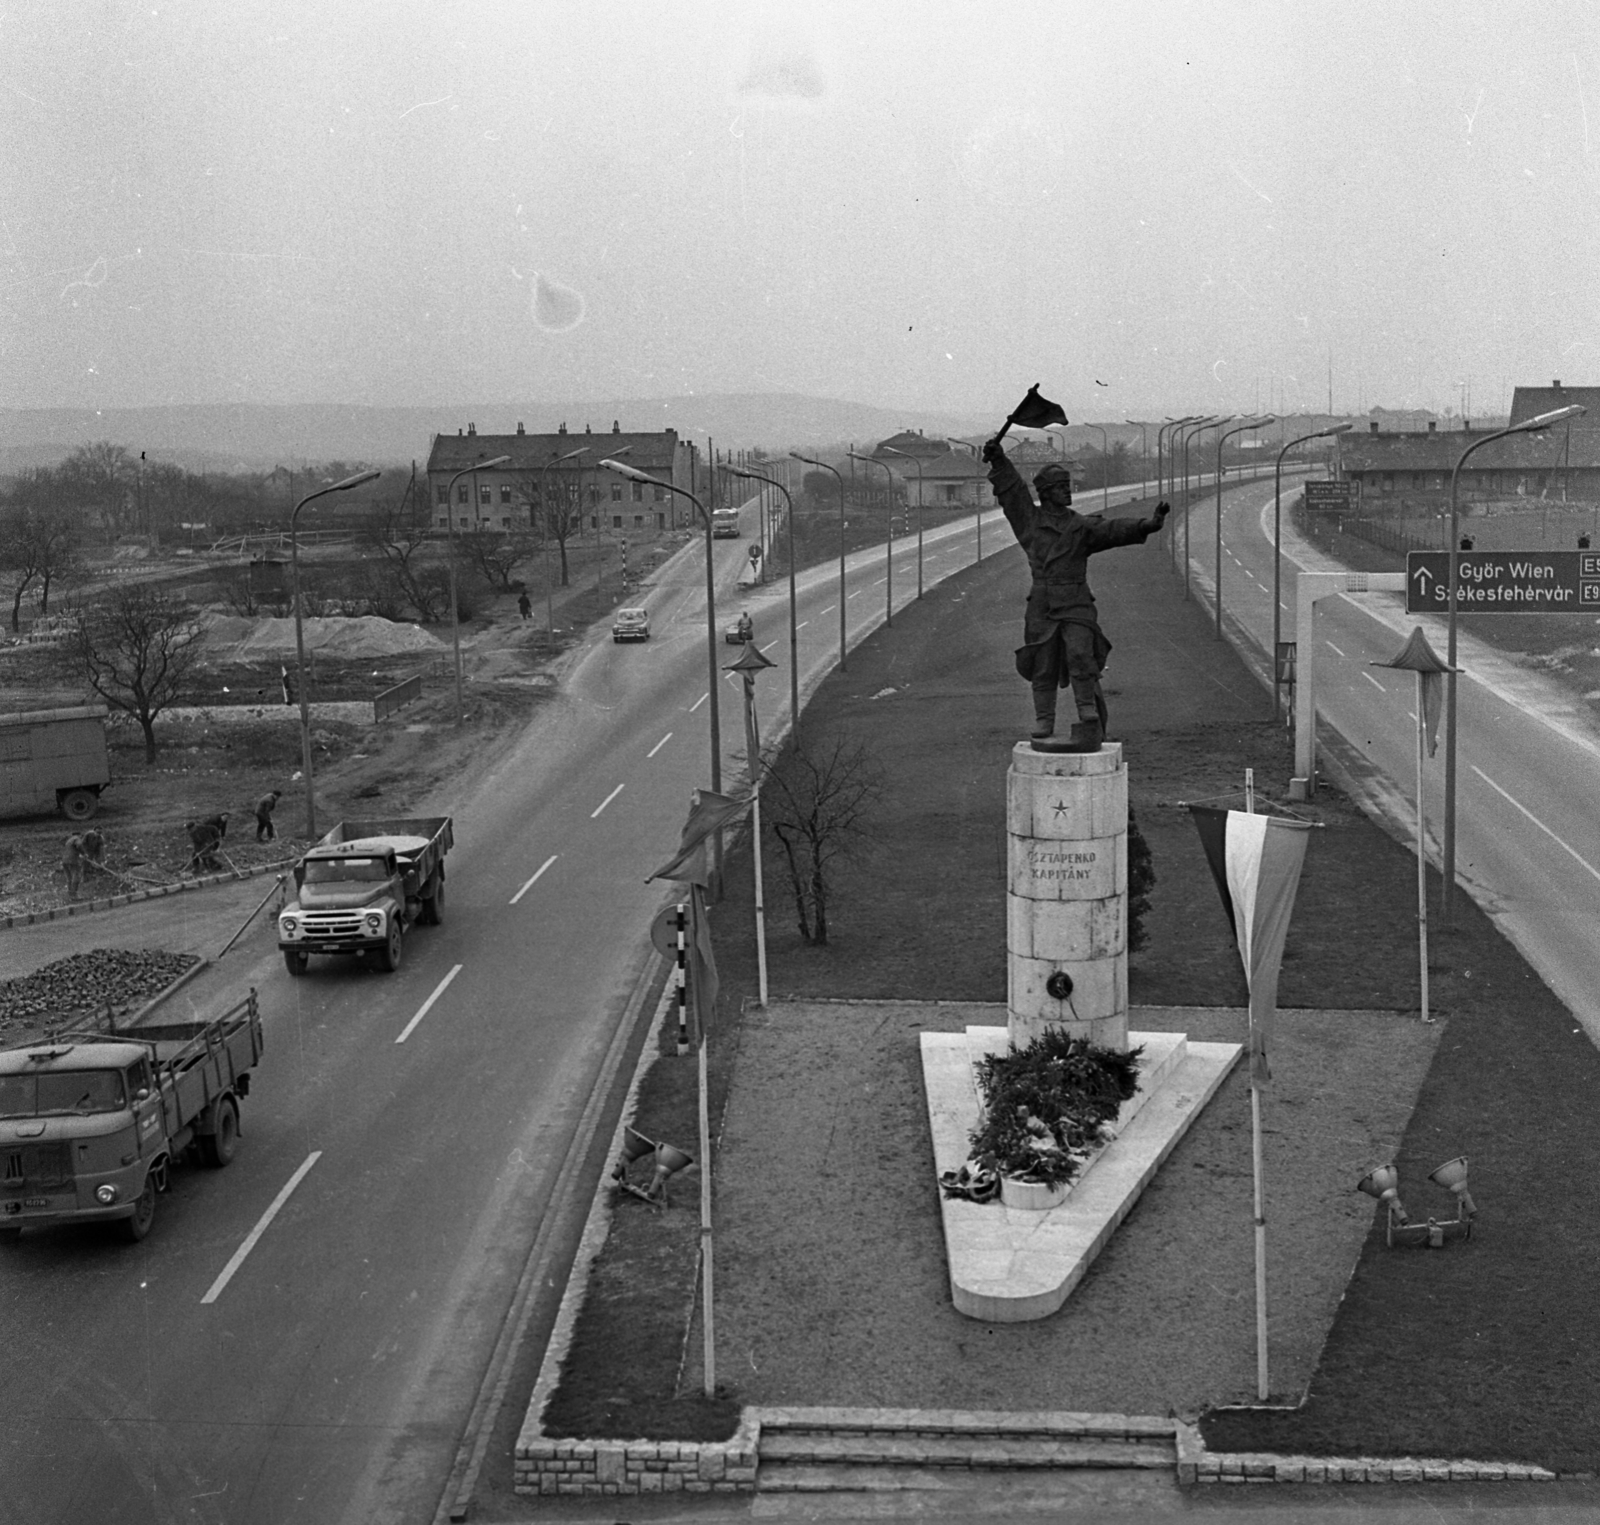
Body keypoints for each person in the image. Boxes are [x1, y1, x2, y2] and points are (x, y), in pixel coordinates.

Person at [982, 437, 1169, 749]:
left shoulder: (1081, 526)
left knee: (1081, 654)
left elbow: (1112, 529)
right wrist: (999, 461)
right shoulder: (1030, 522)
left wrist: (1148, 524)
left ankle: (1086, 709)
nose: (1068, 490)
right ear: (1045, 493)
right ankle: (1044, 718)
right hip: (1043, 603)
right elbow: (1013, 493)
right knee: (1043, 662)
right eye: (1061, 486)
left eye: (1067, 485)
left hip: (1076, 602)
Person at [62, 830, 104, 900]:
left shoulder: (69, 841)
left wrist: (80, 854)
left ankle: (70, 894)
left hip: (64, 861)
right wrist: (84, 853)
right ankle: (74, 895)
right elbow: (79, 845)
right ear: (79, 835)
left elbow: (72, 849)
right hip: (72, 860)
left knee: (69, 877)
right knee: (76, 876)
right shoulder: (76, 839)